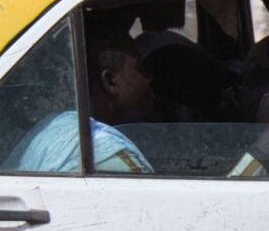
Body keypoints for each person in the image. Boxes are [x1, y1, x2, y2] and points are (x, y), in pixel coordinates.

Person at [11, 20, 158, 173]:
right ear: (110, 80)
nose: (150, 78)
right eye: (142, 68)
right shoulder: (102, 148)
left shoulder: (52, 130)